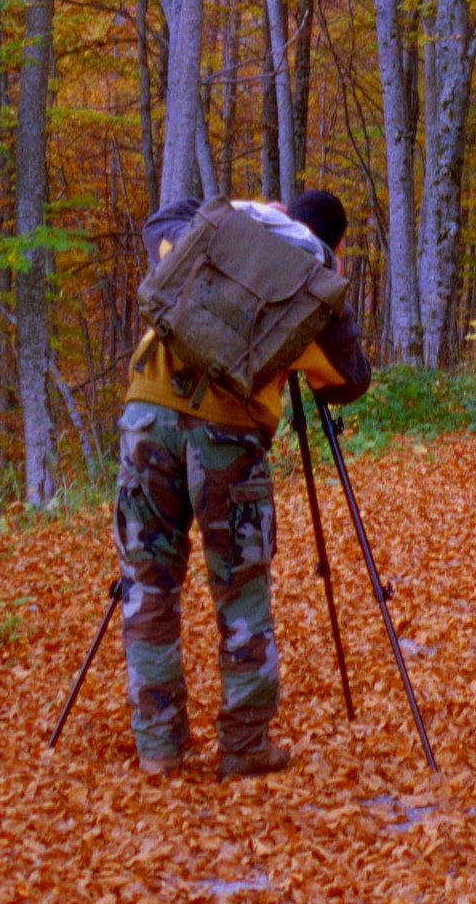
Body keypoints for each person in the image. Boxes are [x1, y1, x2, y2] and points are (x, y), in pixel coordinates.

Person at [114, 188, 372, 779]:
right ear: (335, 244)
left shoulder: (220, 230)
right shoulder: (311, 279)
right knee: (240, 594)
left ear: (282, 209)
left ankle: (158, 746)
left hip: (146, 418)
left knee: (148, 585)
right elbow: (349, 380)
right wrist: (331, 286)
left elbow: (161, 221)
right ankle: (244, 744)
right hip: (228, 436)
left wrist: (245, 206)